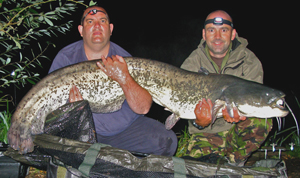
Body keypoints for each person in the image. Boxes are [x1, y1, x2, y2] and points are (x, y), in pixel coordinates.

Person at [49, 6, 177, 156]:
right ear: (81, 30)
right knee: (59, 143)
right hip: (83, 131)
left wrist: (124, 77)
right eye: (90, 22)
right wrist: (71, 111)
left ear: (110, 29)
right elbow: (52, 110)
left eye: (102, 21)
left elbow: (143, 108)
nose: (97, 26)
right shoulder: (66, 58)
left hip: (125, 132)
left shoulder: (125, 60)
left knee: (167, 141)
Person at [176, 10, 272, 166]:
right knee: (200, 168)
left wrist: (241, 117)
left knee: (263, 119)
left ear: (233, 34)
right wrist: (198, 122)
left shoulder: (249, 61)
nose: (218, 36)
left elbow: (256, 99)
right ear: (204, 34)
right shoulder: (192, 63)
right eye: (212, 30)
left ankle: (235, 161)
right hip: (205, 132)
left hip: (237, 129)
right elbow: (183, 105)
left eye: (224, 30)